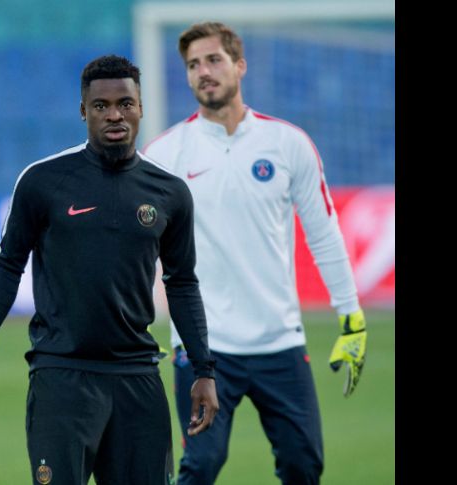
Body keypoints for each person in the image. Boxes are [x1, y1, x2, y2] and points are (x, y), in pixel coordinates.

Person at [0, 55, 219, 485]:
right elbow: (7, 267)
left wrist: (204, 371)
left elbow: (182, 283)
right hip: (62, 378)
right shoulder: (43, 181)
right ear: (83, 111)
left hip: (138, 377)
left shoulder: (170, 193)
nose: (114, 114)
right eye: (101, 106)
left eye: (125, 103)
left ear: (141, 107)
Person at [142, 22, 368, 485]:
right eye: (192, 65)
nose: (203, 72)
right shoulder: (165, 154)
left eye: (213, 60)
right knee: (200, 466)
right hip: (202, 347)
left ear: (239, 66)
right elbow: (135, 249)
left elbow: (324, 233)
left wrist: (351, 315)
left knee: (305, 466)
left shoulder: (288, 144)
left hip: (279, 341)